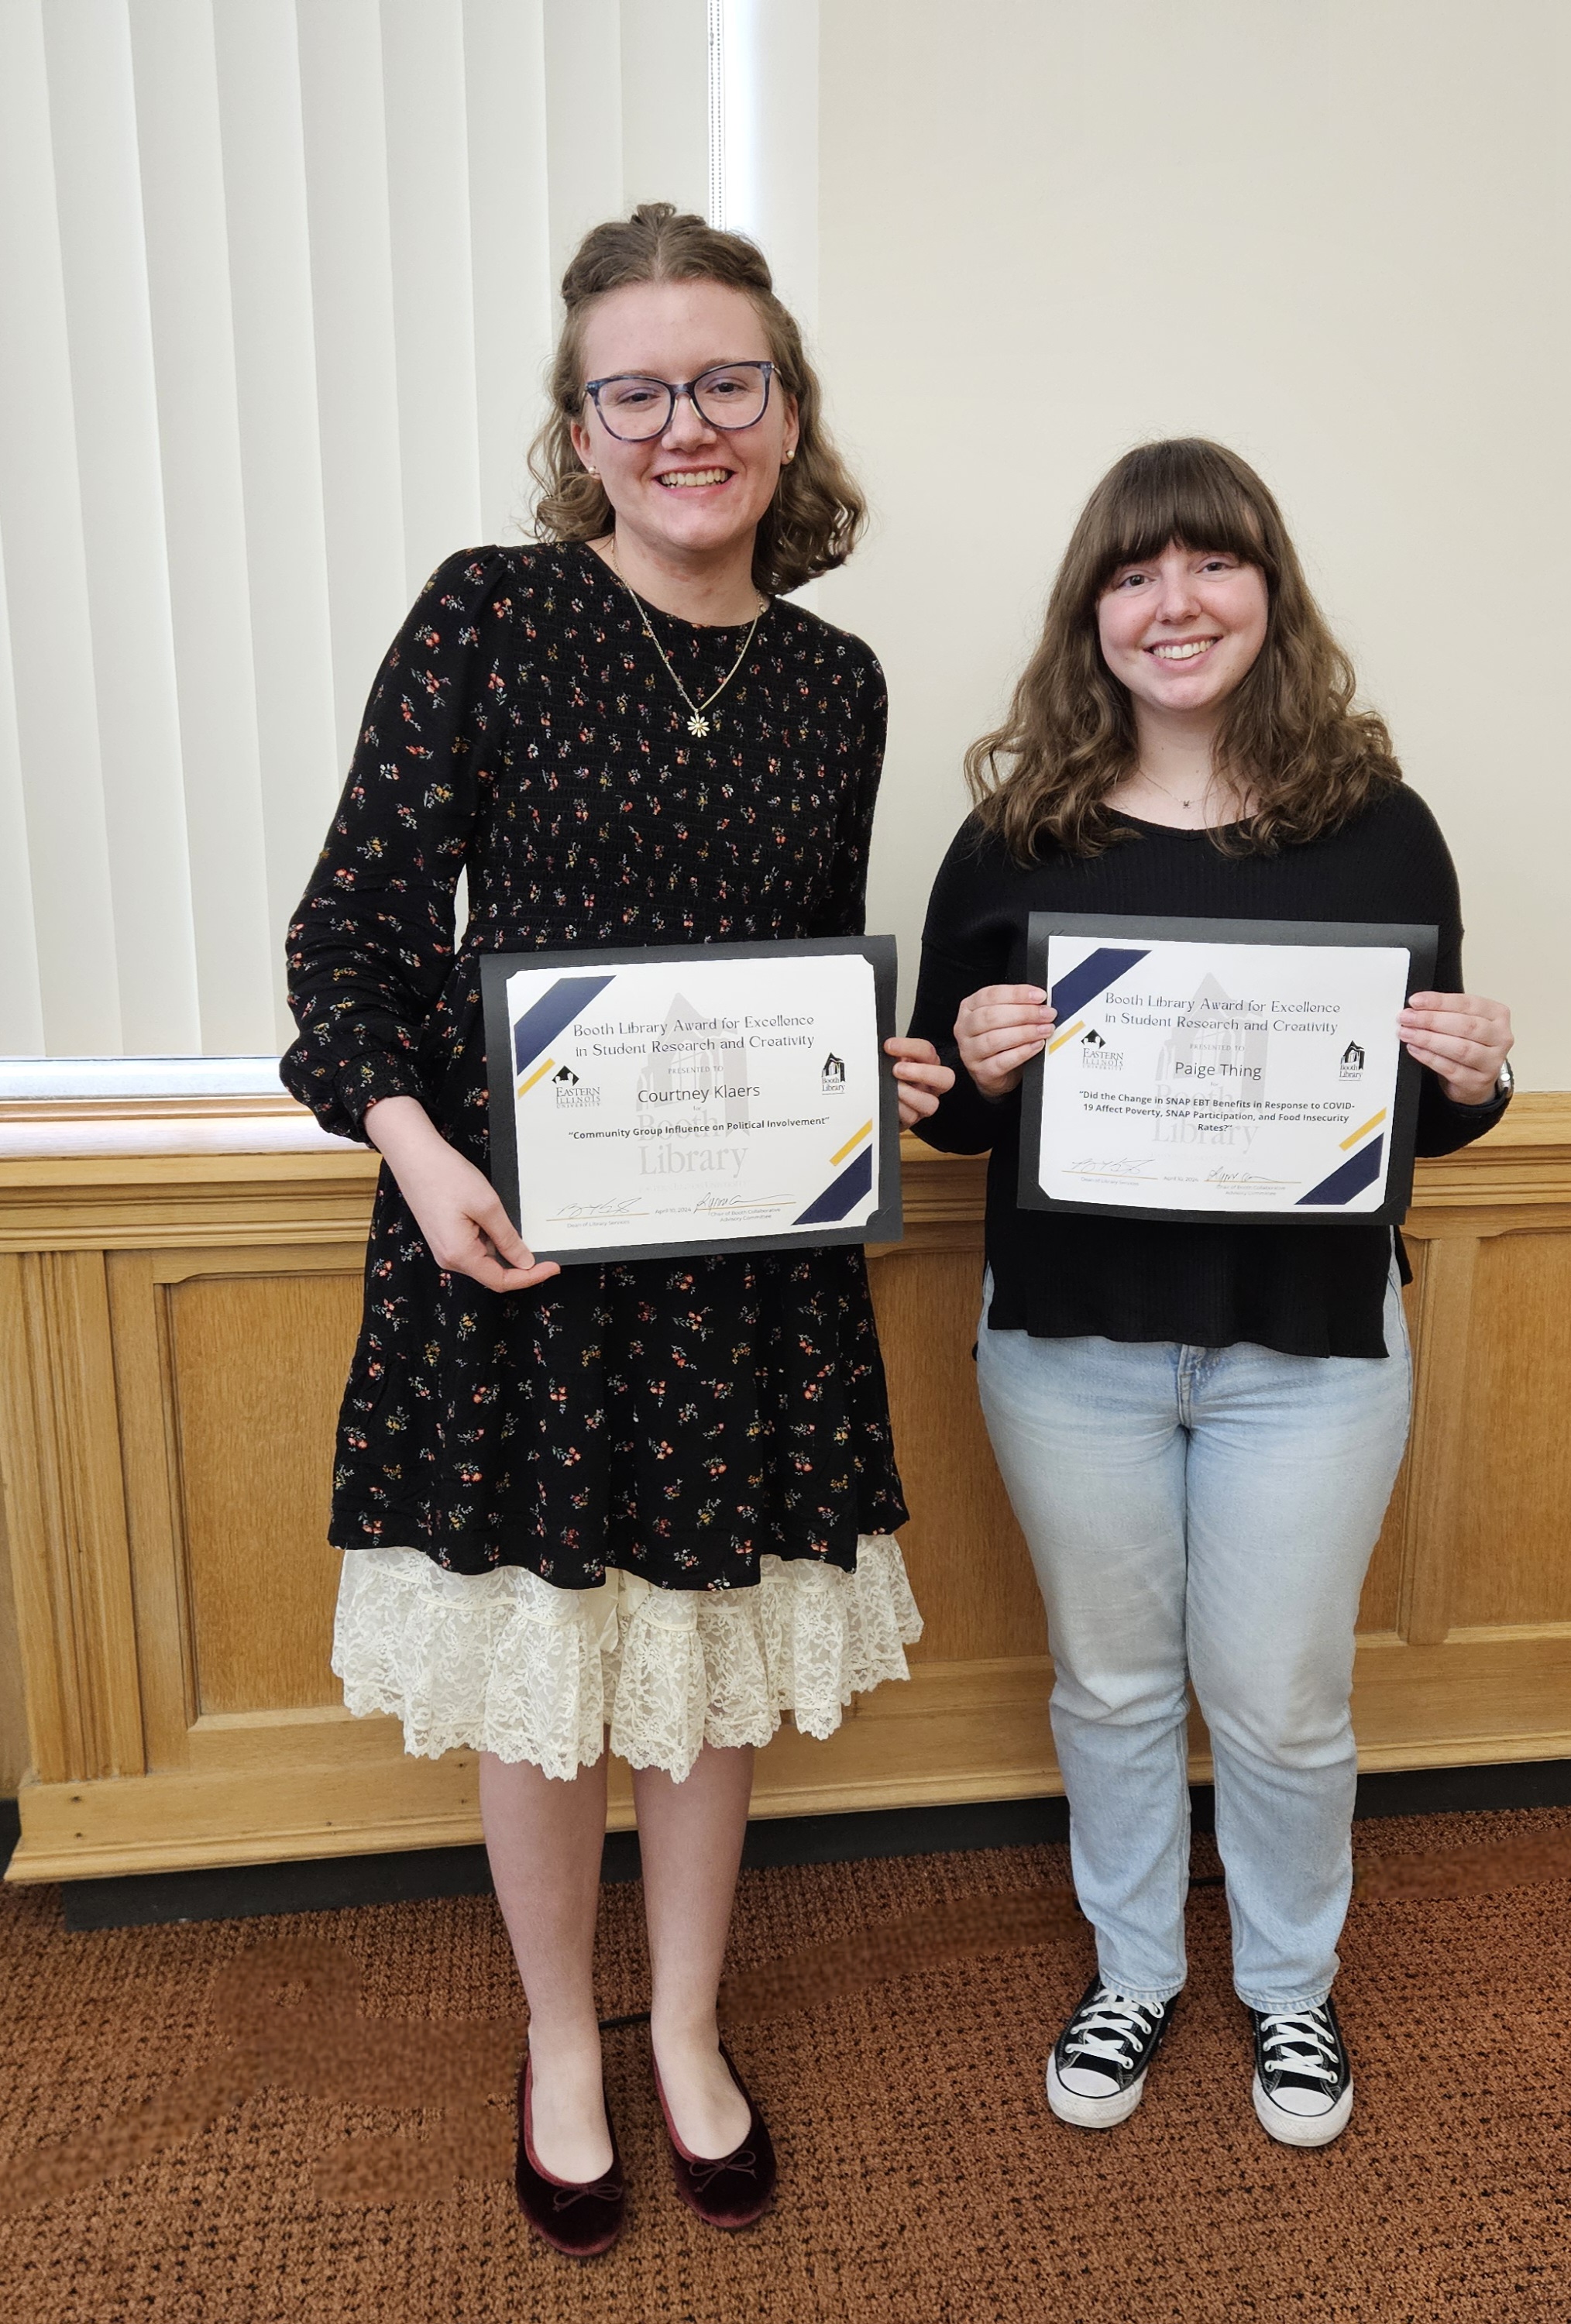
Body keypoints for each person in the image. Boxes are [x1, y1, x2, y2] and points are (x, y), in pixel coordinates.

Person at [281, 203, 952, 2256]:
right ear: (580, 428)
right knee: (545, 1675)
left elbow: (787, 977)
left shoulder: (836, 679)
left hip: (743, 1269)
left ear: (785, 408)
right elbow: (358, 935)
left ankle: (688, 2030)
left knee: (704, 1666)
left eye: (725, 380)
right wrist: (409, 1142)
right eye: (636, 390)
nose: (686, 424)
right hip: (521, 1259)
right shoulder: (484, 616)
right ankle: (564, 2039)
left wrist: (876, 1076)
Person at [908, 438, 1514, 2147]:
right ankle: (1129, 1972)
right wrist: (967, 1058)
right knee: (1106, 1685)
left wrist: (1475, 1079)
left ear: (1269, 592)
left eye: (1210, 566)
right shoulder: (1013, 834)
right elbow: (951, 1130)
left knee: (1280, 1695)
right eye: (1132, 573)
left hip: (1309, 1348)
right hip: (1069, 1344)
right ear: (1088, 613)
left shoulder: (1378, 829)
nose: (1173, 604)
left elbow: (1410, 1118)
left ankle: (1289, 1994)